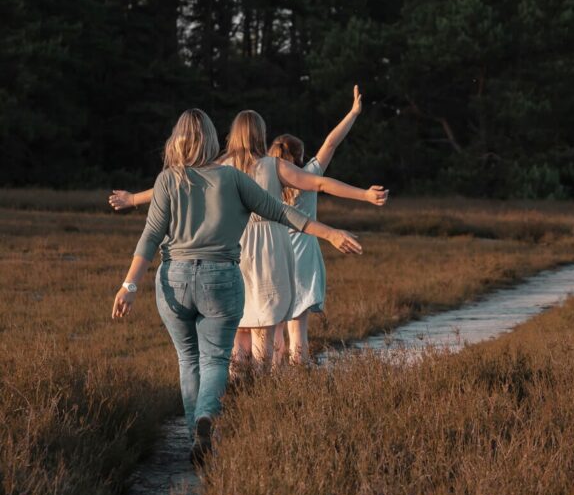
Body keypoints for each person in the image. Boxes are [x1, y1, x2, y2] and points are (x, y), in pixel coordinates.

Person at [110, 108, 362, 465]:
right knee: (215, 359)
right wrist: (331, 233)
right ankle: (206, 419)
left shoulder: (168, 179)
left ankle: (191, 432)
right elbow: (284, 213)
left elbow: (151, 237)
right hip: (221, 278)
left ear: (175, 141)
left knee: (189, 359)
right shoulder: (231, 178)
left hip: (175, 279)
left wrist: (129, 286)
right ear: (213, 140)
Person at [110, 107, 387, 370]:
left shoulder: (218, 164)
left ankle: (236, 384)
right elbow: (319, 182)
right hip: (270, 248)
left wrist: (133, 198)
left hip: (234, 246)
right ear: (260, 134)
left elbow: (175, 182)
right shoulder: (273, 166)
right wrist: (363, 195)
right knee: (266, 321)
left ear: (233, 133)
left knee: (238, 323)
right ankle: (260, 386)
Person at [269, 84, 364, 364]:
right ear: (299, 156)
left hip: (273, 260)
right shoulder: (309, 175)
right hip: (303, 261)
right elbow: (331, 143)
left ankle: (274, 382)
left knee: (273, 329)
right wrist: (353, 113)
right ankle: (301, 376)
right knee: (298, 332)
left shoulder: (265, 181)